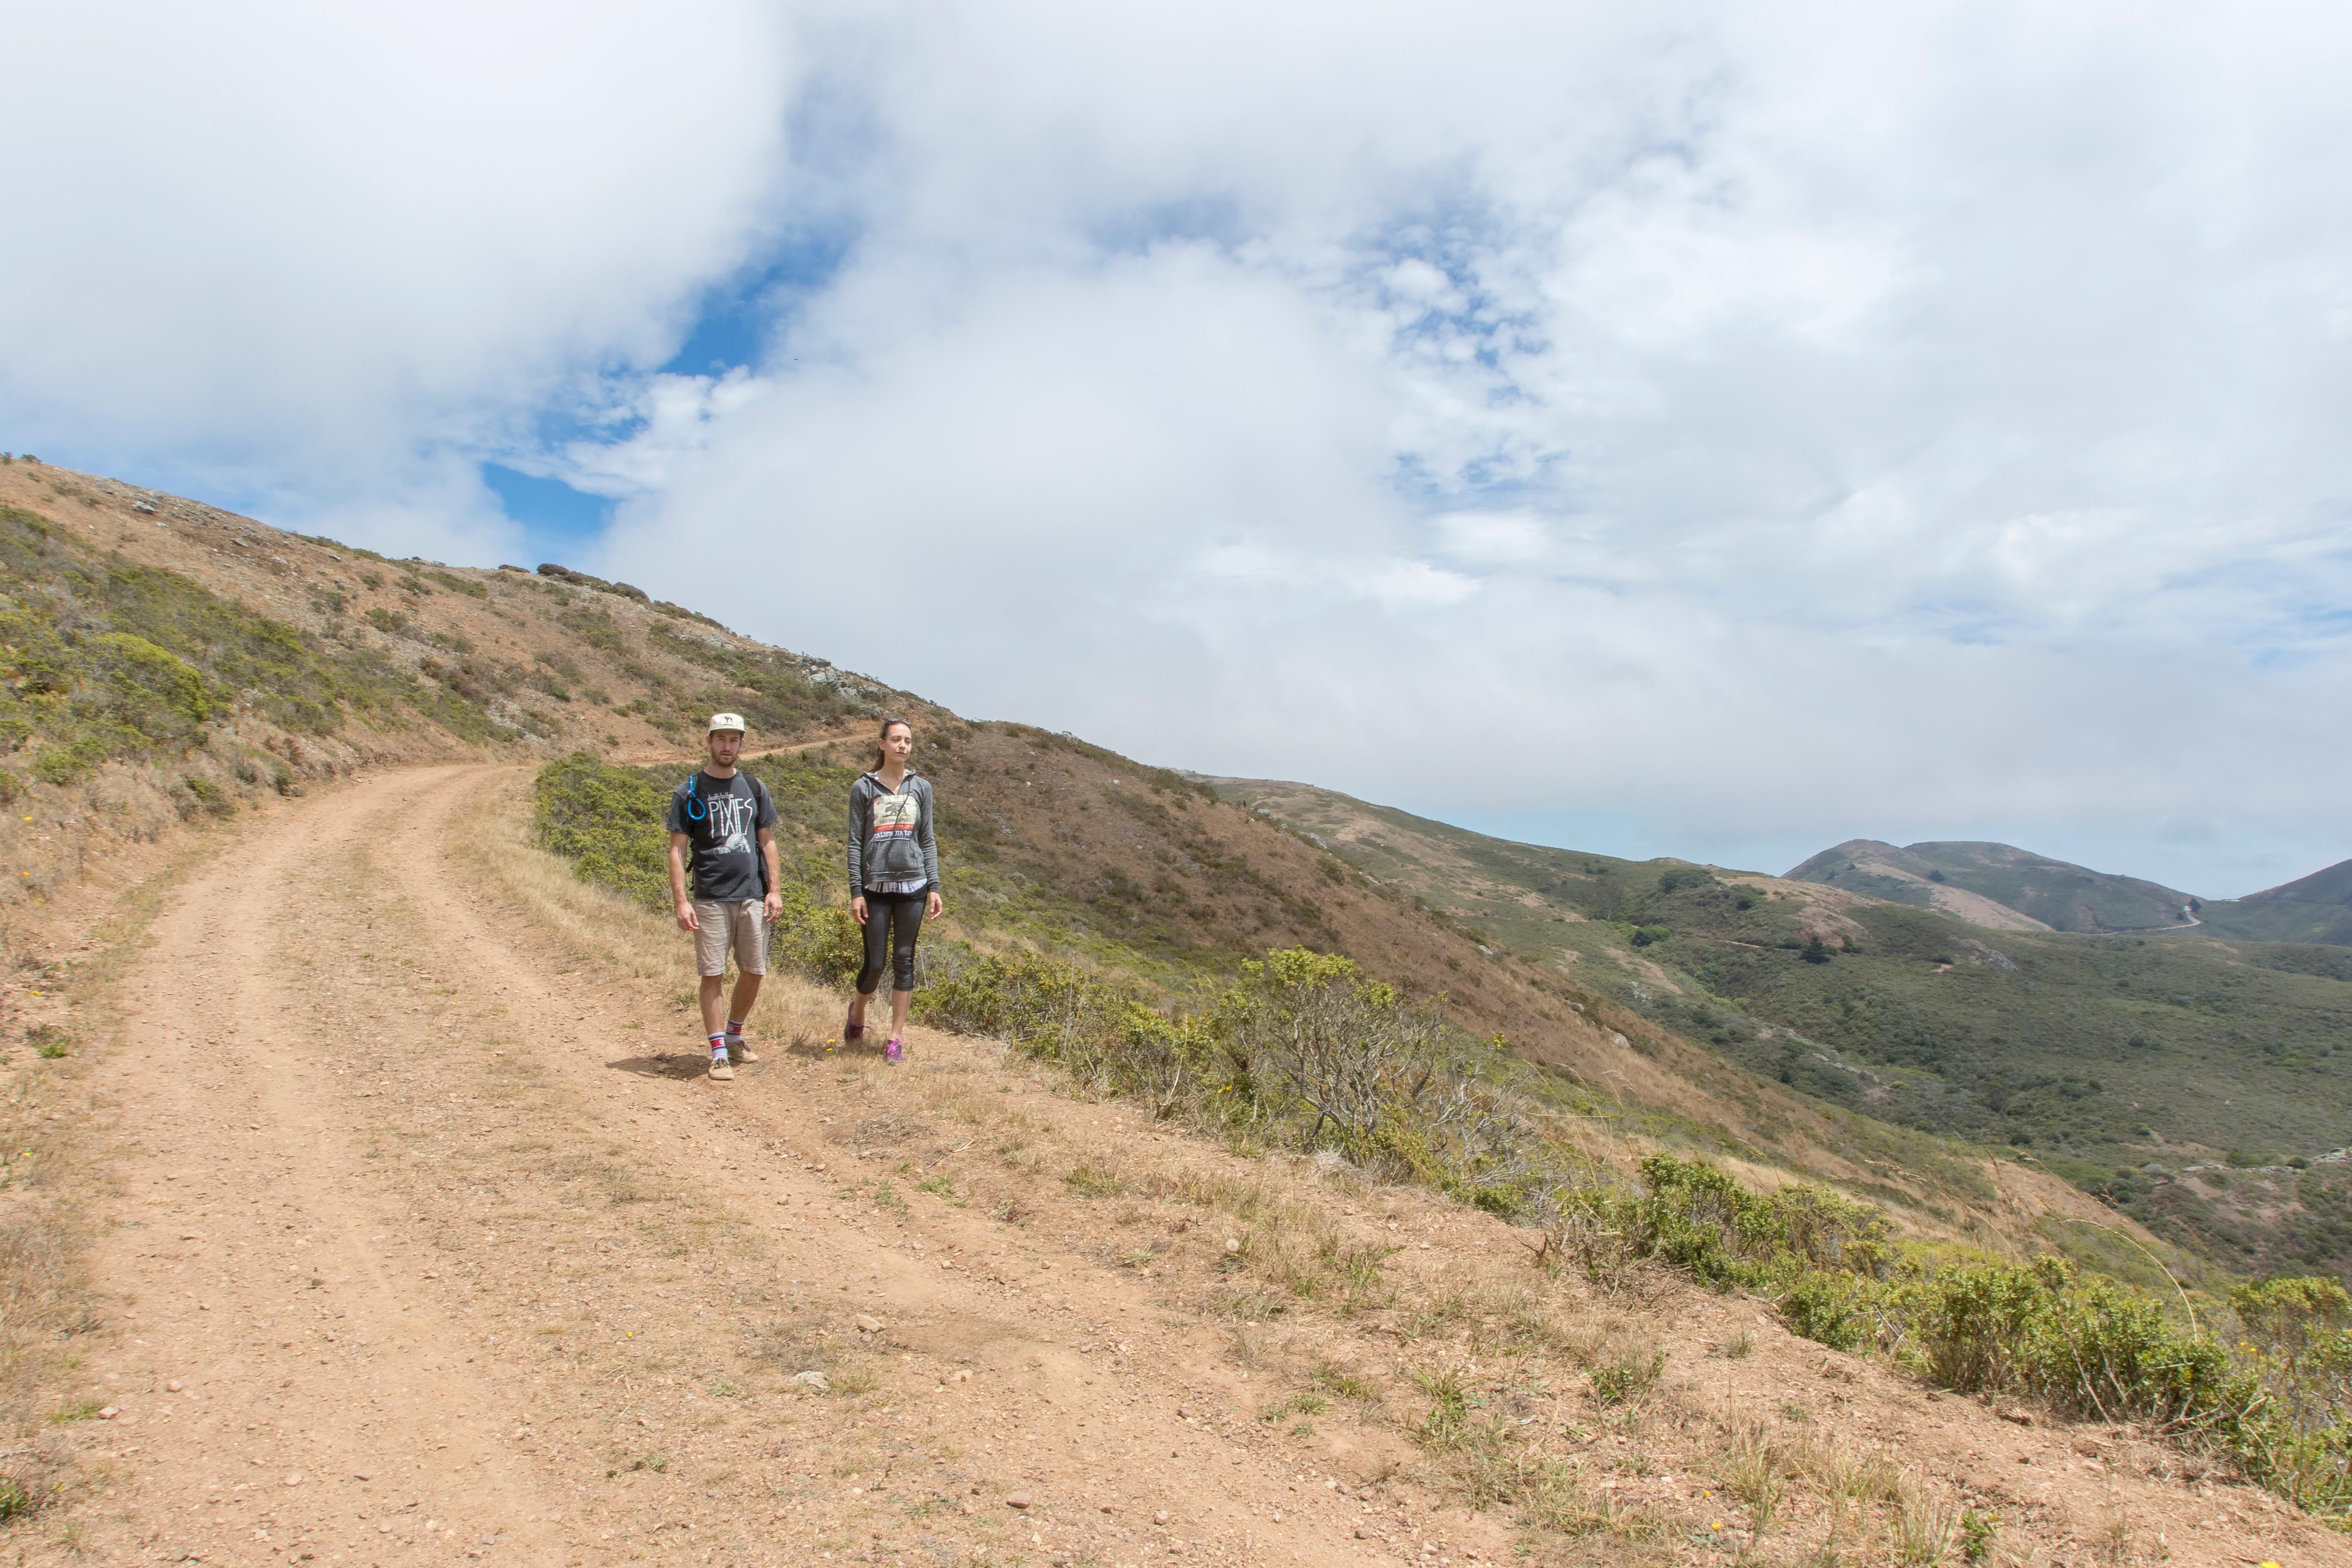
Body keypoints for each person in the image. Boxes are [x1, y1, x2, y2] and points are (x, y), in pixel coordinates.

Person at [667, 713, 782, 1082]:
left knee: (754, 970)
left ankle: (735, 1035)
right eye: (721, 739)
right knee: (713, 973)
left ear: (742, 743)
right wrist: (681, 901)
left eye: (734, 739)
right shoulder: (689, 791)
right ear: (709, 742)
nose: (727, 746)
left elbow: (767, 842)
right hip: (711, 897)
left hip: (752, 895)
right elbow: (677, 850)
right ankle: (718, 1051)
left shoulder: (754, 786)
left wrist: (775, 891)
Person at [846, 716, 941, 1064]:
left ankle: (895, 1039)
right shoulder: (864, 788)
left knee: (904, 961)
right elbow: (855, 842)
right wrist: (856, 891)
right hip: (875, 887)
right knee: (875, 964)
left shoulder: (922, 788)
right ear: (881, 744)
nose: (903, 746)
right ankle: (857, 1014)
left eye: (908, 741)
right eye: (897, 739)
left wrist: (934, 886)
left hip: (913, 885)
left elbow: (927, 840)